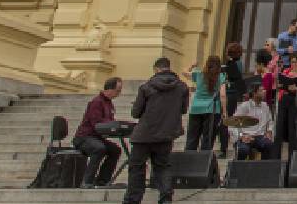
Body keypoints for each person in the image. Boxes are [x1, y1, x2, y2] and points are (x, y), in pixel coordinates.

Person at [123, 58, 187, 204]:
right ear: (169, 68)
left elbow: (135, 113)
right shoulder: (182, 87)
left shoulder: (146, 87)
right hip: (166, 134)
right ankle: (165, 198)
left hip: (144, 135)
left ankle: (133, 200)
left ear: (156, 69)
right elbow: (183, 109)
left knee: (137, 168)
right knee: (163, 167)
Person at [73, 77, 123, 188]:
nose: (119, 93)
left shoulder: (109, 104)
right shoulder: (96, 102)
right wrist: (111, 124)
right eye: (118, 90)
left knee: (115, 150)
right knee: (99, 148)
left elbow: (107, 122)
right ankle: (87, 181)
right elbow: (96, 123)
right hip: (84, 138)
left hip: (96, 138)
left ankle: (102, 181)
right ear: (110, 89)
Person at [182, 56, 227, 151]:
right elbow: (223, 95)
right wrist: (224, 112)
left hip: (196, 109)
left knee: (192, 138)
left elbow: (184, 72)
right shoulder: (221, 76)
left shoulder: (198, 74)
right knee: (207, 139)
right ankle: (203, 162)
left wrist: (192, 65)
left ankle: (188, 159)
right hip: (212, 110)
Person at [274, 52, 297, 159]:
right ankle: (276, 157)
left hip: (295, 100)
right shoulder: (285, 71)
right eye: (292, 62)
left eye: (296, 62)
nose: (293, 64)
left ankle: (292, 157)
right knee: (279, 127)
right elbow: (280, 86)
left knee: (292, 128)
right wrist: (280, 85)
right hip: (284, 98)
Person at [234, 84, 276, 159]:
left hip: (260, 136)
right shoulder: (244, 106)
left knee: (269, 145)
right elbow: (234, 123)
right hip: (246, 136)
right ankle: (239, 168)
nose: (264, 92)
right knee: (243, 150)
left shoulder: (265, 106)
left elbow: (270, 121)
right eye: (261, 90)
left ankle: (264, 168)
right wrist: (241, 136)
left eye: (264, 90)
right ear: (254, 93)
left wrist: (269, 131)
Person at [220, 42, 246, 157]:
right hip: (234, 95)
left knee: (225, 122)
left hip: (230, 94)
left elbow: (234, 78)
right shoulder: (237, 63)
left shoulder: (232, 64)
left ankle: (224, 149)